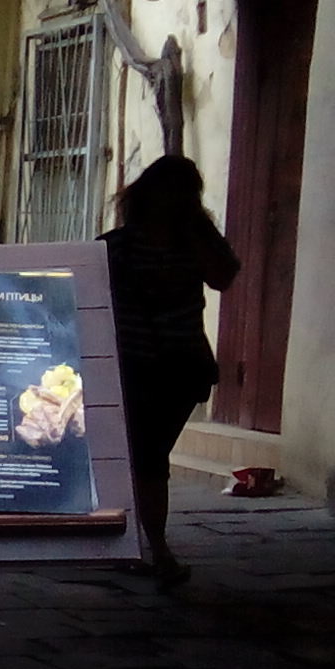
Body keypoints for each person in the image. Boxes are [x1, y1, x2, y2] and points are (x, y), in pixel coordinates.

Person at [99, 153, 238, 588]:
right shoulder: (119, 246)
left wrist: (196, 232)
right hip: (147, 366)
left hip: (168, 368)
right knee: (146, 457)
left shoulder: (183, 243)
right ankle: (150, 547)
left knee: (146, 456)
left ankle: (149, 547)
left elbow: (223, 275)